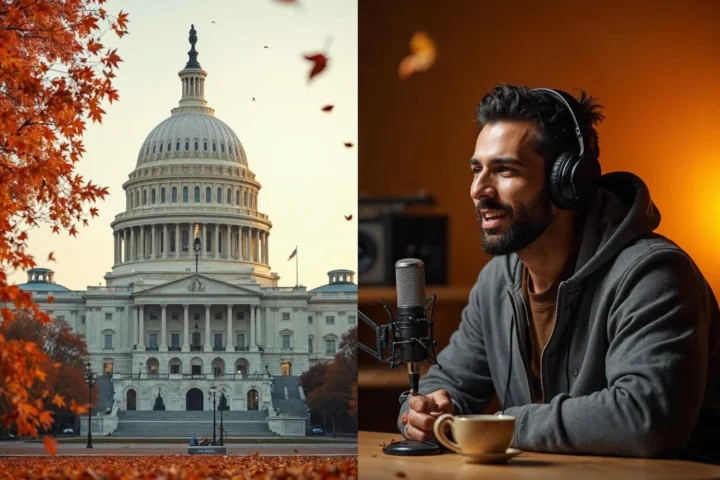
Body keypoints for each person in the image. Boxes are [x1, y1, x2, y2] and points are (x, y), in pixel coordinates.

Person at [398, 83, 720, 463]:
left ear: (569, 182)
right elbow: (447, 384)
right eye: (476, 169)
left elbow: (646, 418)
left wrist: (502, 425)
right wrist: (421, 414)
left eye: (504, 170)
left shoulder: (653, 275)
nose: (478, 190)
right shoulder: (495, 282)